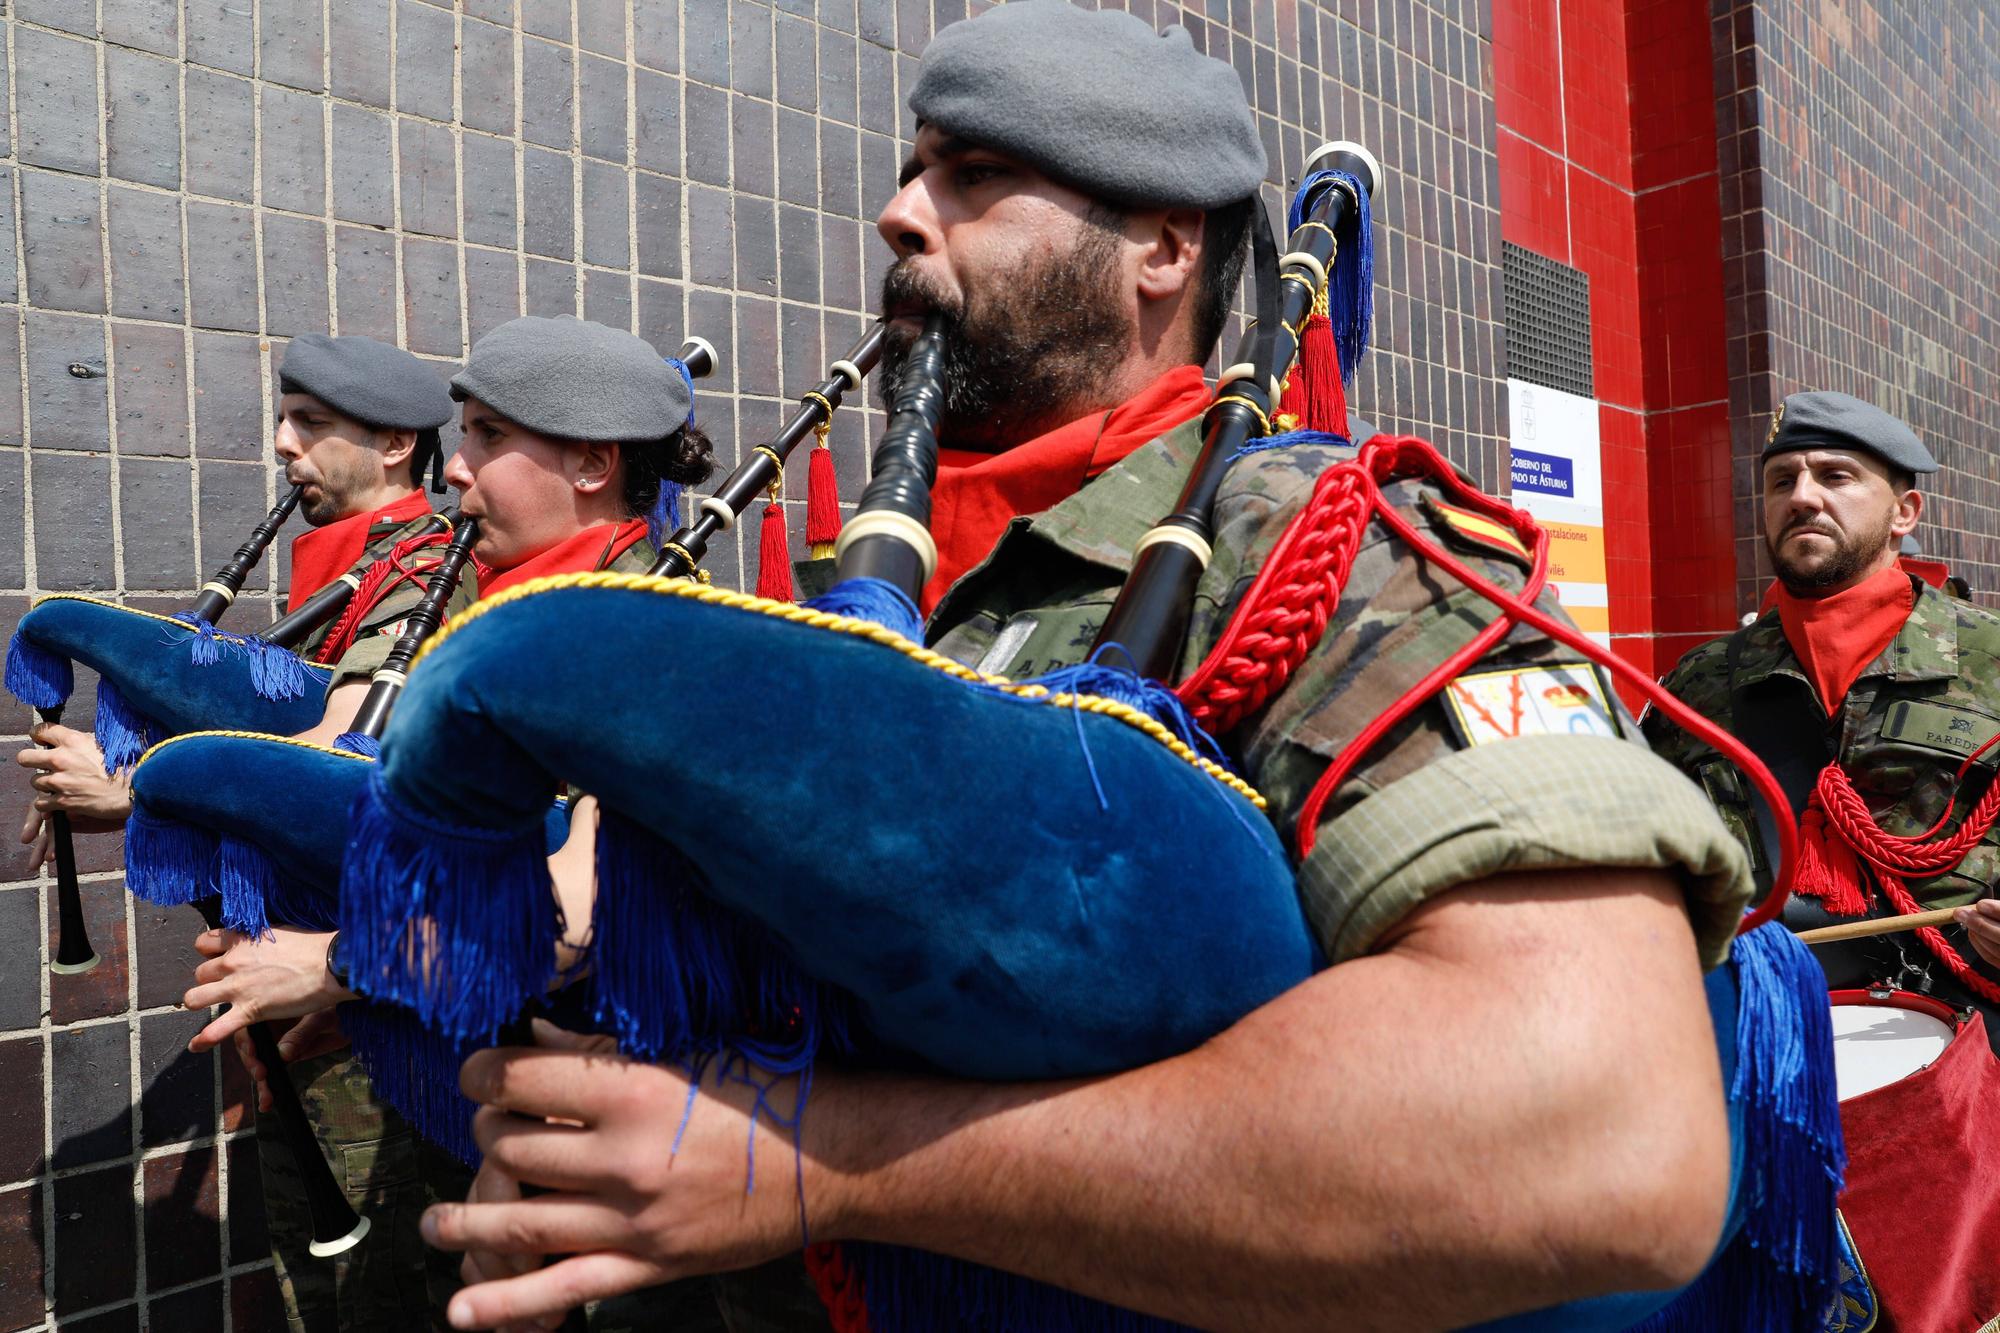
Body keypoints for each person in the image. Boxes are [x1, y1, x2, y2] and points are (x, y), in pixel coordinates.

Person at [413, 6, 1755, 1331]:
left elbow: (1610, 1145)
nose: (900, 212)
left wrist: (825, 1163)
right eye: (912, 167)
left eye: (976, 176)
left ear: (1163, 248)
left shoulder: (1314, 547)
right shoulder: (858, 592)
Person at [177, 315, 722, 1330]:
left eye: (481, 438)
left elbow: (574, 913)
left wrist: (334, 965)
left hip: (595, 1123)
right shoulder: (495, 613)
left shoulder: (652, 629)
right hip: (473, 1093)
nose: (455, 472)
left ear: (594, 464)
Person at [15, 332, 460, 854]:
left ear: (394, 445)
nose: (284, 443)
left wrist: (136, 786)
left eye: (312, 424)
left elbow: (350, 755)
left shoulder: (425, 570)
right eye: (284, 420)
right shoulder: (351, 557)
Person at [1644, 390, 2000, 1032]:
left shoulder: (1993, 659)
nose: (1802, 497)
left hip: (1965, 1037)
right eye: (1783, 481)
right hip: (1759, 1036)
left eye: (1836, 476)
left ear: (1904, 512)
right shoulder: (1699, 684)